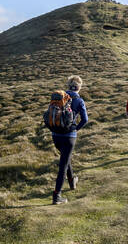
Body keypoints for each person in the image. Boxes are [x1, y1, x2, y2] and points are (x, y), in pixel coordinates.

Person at [46, 75, 88, 205]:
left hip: (55, 135)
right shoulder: (79, 100)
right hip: (69, 136)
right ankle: (57, 196)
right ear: (79, 87)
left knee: (65, 157)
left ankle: (72, 182)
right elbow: (85, 120)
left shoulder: (59, 98)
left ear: (68, 86)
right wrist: (76, 129)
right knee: (63, 165)